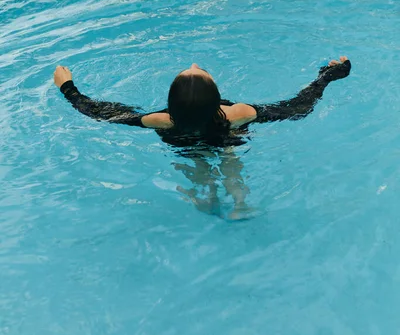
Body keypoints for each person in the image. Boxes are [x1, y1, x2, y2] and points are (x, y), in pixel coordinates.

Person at [54, 57, 351, 218]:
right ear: (216, 97)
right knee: (230, 157)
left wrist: (68, 88)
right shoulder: (238, 113)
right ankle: (240, 203)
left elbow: (101, 112)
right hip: (225, 133)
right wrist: (326, 77)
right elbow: (298, 108)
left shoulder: (161, 120)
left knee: (197, 164)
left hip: (181, 141)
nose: (195, 64)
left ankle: (206, 197)